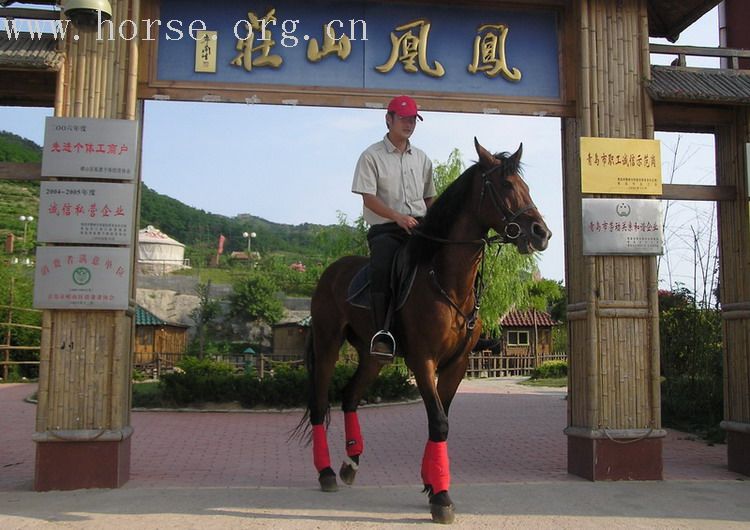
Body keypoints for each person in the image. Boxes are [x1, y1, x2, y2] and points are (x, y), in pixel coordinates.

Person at [351, 95, 436, 359]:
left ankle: (463, 324)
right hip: (387, 230)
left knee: (453, 260)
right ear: (388, 119)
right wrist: (397, 217)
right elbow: (368, 198)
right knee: (384, 269)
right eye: (403, 118)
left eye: (413, 119)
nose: (408, 124)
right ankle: (382, 333)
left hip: (419, 228)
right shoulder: (371, 156)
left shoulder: (422, 158)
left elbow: (429, 198)